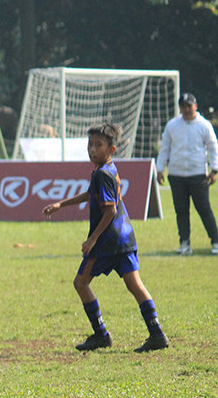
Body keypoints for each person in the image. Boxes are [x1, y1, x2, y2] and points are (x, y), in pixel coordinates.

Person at [43, 123, 169, 353]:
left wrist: (92, 240)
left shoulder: (102, 173)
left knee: (80, 283)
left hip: (108, 242)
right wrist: (61, 204)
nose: (92, 149)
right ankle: (157, 333)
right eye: (90, 145)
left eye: (98, 145)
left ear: (111, 149)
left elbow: (109, 211)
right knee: (134, 285)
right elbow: (92, 193)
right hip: (125, 237)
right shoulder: (107, 169)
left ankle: (101, 335)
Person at [155, 92, 218, 255]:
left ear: (195, 106)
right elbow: (165, 148)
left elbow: (213, 147)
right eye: (183, 106)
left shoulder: (204, 125)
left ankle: (216, 241)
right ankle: (185, 243)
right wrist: (160, 168)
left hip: (198, 174)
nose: (186, 109)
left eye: (189, 106)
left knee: (204, 209)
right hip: (176, 174)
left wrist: (214, 170)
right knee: (181, 211)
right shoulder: (172, 125)